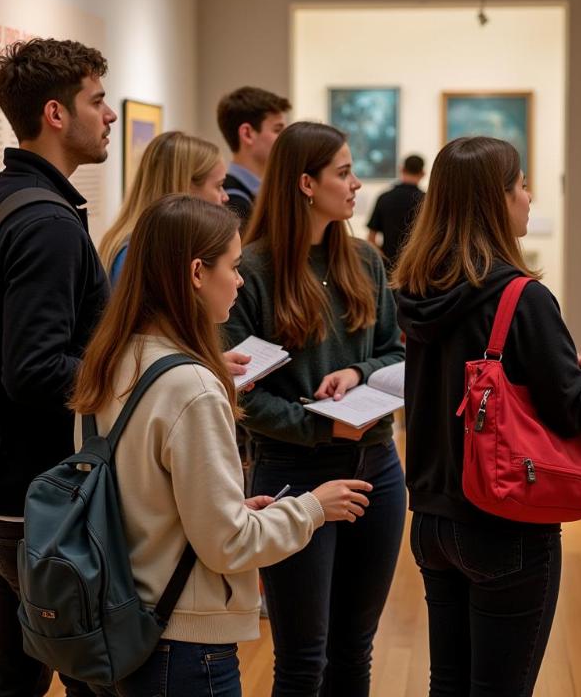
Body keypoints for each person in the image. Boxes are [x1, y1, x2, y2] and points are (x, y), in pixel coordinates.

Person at [392, 136, 581, 697]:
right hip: (505, 526)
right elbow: (578, 411)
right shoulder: (522, 297)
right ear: (496, 201)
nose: (528, 196)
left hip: (431, 521)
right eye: (521, 185)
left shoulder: (419, 291)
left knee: (448, 684)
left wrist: (561, 366)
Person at [71, 194, 372, 697]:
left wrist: (232, 508)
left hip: (129, 615)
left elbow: (159, 500)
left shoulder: (121, 355)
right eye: (232, 267)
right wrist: (313, 508)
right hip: (183, 641)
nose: (238, 279)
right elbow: (227, 544)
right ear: (195, 273)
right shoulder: (193, 387)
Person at [0, 37, 117, 697]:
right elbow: (34, 369)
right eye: (97, 100)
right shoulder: (47, 224)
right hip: (36, 505)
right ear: (56, 114)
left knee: (15, 678)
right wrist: (134, 374)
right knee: (99, 678)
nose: (108, 115)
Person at [224, 121, 406, 696]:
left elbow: (395, 352)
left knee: (355, 649)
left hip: (377, 468)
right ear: (305, 183)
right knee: (305, 657)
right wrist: (321, 426)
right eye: (344, 172)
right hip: (294, 477)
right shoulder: (250, 271)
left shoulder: (363, 260)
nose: (356, 185)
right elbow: (240, 392)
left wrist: (357, 373)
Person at [99, 131, 229, 285]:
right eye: (219, 186)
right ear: (187, 187)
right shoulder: (143, 253)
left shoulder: (147, 246)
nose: (225, 196)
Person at [216, 85, 290, 229]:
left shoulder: (267, 192)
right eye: (277, 130)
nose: (285, 138)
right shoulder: (231, 201)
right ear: (247, 134)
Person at [366, 153, 425, 271]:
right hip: (417, 269)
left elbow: (371, 240)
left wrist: (385, 260)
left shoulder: (384, 197)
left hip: (389, 270)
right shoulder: (427, 201)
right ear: (423, 173)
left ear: (401, 169)